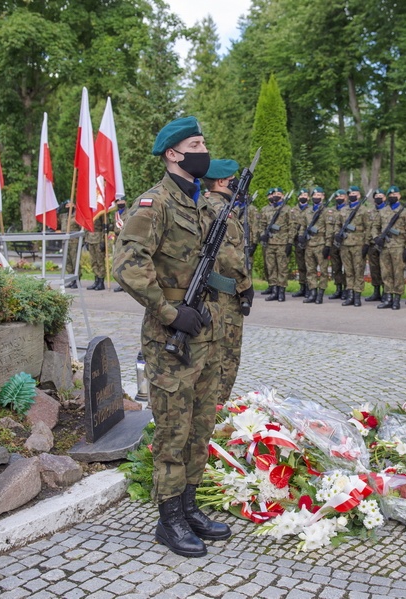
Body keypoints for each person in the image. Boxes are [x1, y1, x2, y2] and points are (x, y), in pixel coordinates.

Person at [112, 116, 241, 558]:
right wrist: (169, 311)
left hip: (204, 335)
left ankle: (189, 507)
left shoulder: (203, 204)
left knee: (200, 425)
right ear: (173, 153)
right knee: (173, 429)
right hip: (171, 338)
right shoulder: (155, 203)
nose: (204, 149)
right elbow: (128, 265)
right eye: (197, 143)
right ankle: (169, 520)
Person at [201, 159, 254, 403]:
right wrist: (246, 284)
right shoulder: (219, 209)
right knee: (226, 357)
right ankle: (216, 411)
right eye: (232, 179)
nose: (236, 184)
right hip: (223, 295)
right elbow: (227, 254)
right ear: (221, 182)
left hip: (211, 293)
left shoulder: (205, 204)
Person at [373, 185, 406, 310]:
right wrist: (376, 238)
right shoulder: (383, 211)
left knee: (398, 273)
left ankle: (397, 299)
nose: (392, 197)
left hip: (398, 247)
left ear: (399, 196)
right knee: (386, 273)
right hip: (385, 247)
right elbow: (375, 226)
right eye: (390, 195)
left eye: (395, 195)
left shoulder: (405, 212)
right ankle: (388, 297)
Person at [334, 186, 369, 306]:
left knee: (358, 270)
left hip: (358, 244)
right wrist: (337, 235)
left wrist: (366, 243)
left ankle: (357, 296)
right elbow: (337, 225)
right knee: (348, 271)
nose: (352, 195)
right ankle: (350, 295)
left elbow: (368, 228)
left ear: (359, 195)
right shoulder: (343, 210)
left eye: (355, 193)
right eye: (350, 193)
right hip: (345, 244)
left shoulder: (363, 210)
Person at [260, 187, 294, 301]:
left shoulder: (287, 209)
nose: (276, 195)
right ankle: (274, 290)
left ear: (283, 196)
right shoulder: (266, 210)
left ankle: (281, 291)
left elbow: (292, 226)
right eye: (274, 193)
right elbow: (262, 224)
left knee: (282, 268)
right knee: (271, 267)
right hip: (270, 243)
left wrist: (289, 242)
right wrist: (263, 235)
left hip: (282, 243)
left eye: (279, 193)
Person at [300, 187, 332, 304]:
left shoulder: (326, 211)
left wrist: (328, 245)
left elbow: (329, 230)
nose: (316, 197)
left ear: (323, 196)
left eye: (319, 195)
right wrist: (301, 237)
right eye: (315, 195)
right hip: (309, 244)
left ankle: (320, 293)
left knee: (323, 270)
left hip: (321, 244)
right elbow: (303, 226)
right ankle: (312, 292)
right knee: (310, 270)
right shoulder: (307, 211)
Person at [364, 188, 388, 302]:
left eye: (381, 196)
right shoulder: (369, 212)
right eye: (376, 196)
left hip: (385, 244)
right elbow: (367, 228)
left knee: (385, 268)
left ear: (385, 198)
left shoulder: (388, 211)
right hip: (372, 244)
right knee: (374, 269)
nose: (378, 198)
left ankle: (385, 292)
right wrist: (366, 242)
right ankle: (376, 291)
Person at [328, 189, 349, 300]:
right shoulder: (330, 211)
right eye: (337, 197)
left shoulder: (349, 210)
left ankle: (346, 289)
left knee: (346, 267)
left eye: (341, 196)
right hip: (332, 243)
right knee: (336, 267)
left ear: (345, 197)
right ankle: (338, 288)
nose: (339, 198)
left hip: (345, 242)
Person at [292, 188, 311, 298]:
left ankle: (309, 287)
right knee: (300, 265)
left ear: (308, 198)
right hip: (297, 241)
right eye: (301, 195)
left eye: (305, 195)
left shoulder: (311, 209)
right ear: (298, 197)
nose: (303, 197)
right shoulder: (293, 210)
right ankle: (302, 286)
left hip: (308, 241)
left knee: (309, 265)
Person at [58, 200, 81, 288]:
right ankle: (71, 279)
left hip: (74, 241)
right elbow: (56, 222)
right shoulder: (63, 216)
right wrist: (60, 209)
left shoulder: (77, 215)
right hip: (65, 241)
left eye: (70, 204)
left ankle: (77, 279)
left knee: (75, 261)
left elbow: (81, 228)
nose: (68, 206)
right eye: (66, 204)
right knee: (67, 262)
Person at [84, 214, 107, 290]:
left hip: (98, 239)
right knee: (93, 261)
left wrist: (103, 241)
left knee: (100, 261)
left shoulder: (100, 212)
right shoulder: (89, 212)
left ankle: (101, 281)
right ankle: (96, 280)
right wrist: (86, 240)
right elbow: (86, 227)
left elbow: (105, 227)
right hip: (90, 239)